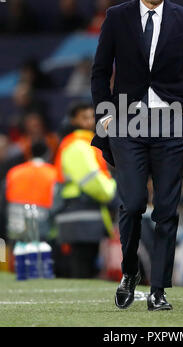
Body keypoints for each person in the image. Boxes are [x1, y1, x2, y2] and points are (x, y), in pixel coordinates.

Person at [91, 0, 183, 310]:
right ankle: (131, 272)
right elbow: (99, 72)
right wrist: (103, 115)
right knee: (130, 204)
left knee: (167, 211)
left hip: (172, 121)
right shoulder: (116, 17)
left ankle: (158, 290)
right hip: (127, 120)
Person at [54, 102, 117, 278]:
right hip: (81, 214)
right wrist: (112, 192)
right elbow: (92, 180)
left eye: (92, 117)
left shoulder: (77, 144)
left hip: (79, 215)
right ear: (73, 120)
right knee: (82, 268)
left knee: (83, 266)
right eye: (84, 117)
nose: (89, 121)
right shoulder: (78, 145)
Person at [5, 140, 57, 244]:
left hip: (15, 223)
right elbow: (57, 202)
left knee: (18, 256)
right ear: (48, 154)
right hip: (41, 225)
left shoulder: (14, 172)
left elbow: (4, 200)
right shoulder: (53, 173)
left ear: (30, 153)